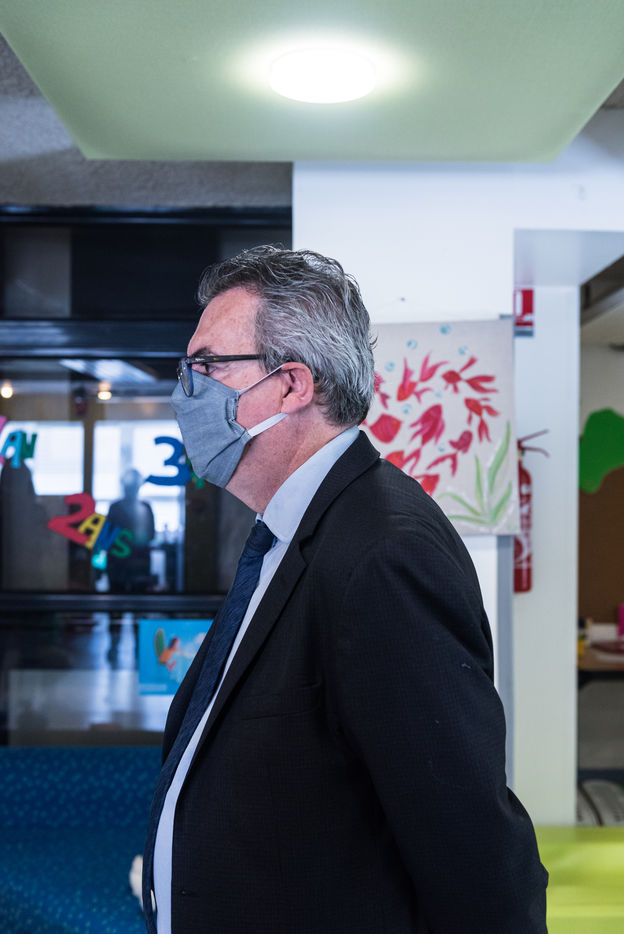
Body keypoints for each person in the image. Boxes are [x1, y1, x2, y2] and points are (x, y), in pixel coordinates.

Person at [143, 246, 548, 934]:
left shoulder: (384, 553)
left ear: (290, 385)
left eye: (207, 366)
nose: (186, 390)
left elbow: (472, 848)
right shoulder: (295, 530)